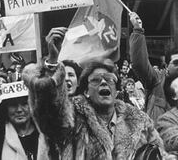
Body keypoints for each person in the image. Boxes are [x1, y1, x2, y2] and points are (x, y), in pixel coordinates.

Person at [22, 30, 164, 159]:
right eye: (96, 80)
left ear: (117, 90)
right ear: (86, 91)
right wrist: (52, 61)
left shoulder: (139, 120)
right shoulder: (72, 117)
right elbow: (47, 111)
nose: (103, 82)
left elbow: (160, 153)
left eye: (109, 79)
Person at [129, 12, 178, 122]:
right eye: (176, 62)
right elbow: (138, 63)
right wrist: (137, 30)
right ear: (166, 66)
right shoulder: (156, 81)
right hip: (160, 136)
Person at [0, 81, 49, 160]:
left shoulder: (46, 134)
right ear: (5, 109)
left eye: (24, 104)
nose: (19, 109)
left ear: (32, 106)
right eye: (13, 105)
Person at [45, 27, 81, 97]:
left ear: (78, 82)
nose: (67, 79)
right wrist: (53, 58)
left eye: (71, 75)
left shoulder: (89, 106)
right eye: (62, 76)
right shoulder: (49, 106)